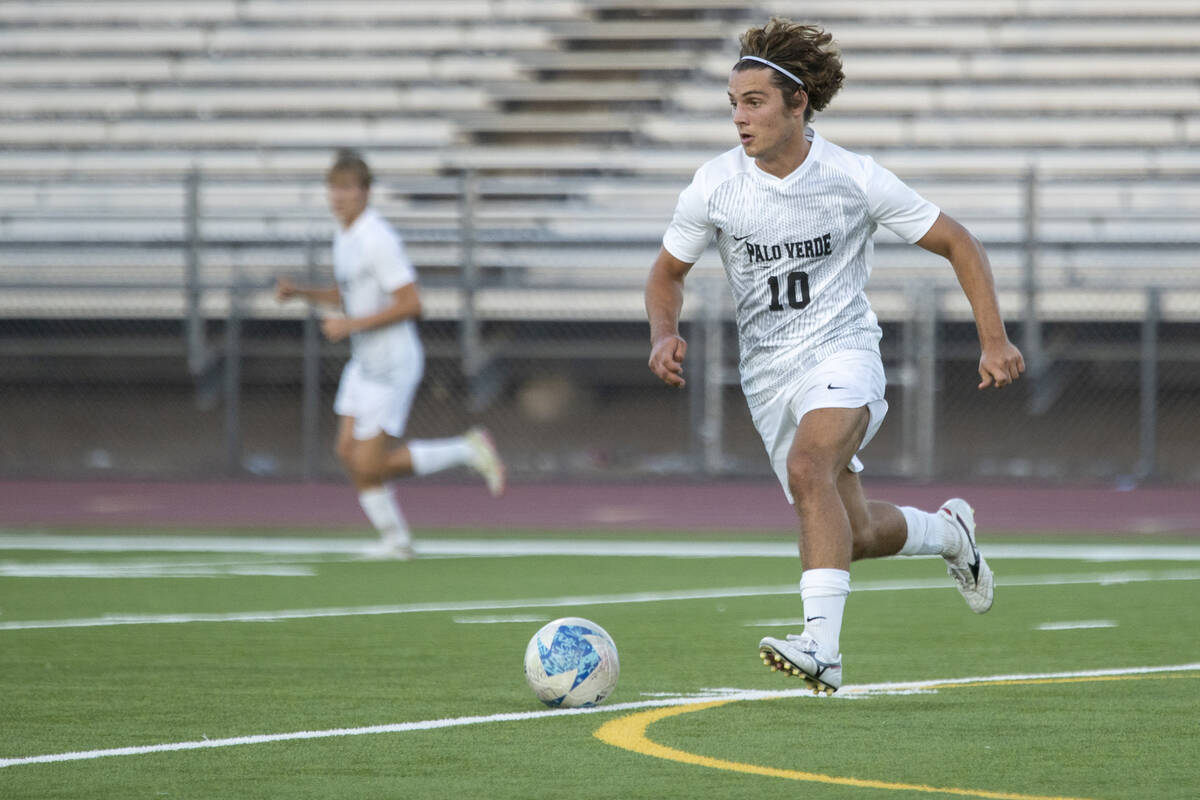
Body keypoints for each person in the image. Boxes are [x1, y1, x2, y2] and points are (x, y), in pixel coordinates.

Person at [644, 19, 1025, 694]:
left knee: (807, 466)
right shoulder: (714, 186)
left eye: (754, 101)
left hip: (842, 353)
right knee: (850, 534)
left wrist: (994, 339)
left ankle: (822, 649)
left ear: (798, 103)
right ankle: (950, 533)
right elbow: (666, 273)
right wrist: (662, 332)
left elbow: (960, 243)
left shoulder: (853, 177)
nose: (739, 118)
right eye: (732, 103)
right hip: (768, 376)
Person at [277, 149, 505, 559]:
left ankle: (468, 450)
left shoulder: (377, 238)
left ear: (365, 192)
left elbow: (411, 303)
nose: (338, 196)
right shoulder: (345, 236)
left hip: (393, 364)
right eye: (333, 187)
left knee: (369, 463)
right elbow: (349, 295)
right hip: (364, 362)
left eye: (347, 188)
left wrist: (349, 325)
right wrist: (302, 294)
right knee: (347, 452)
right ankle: (395, 540)